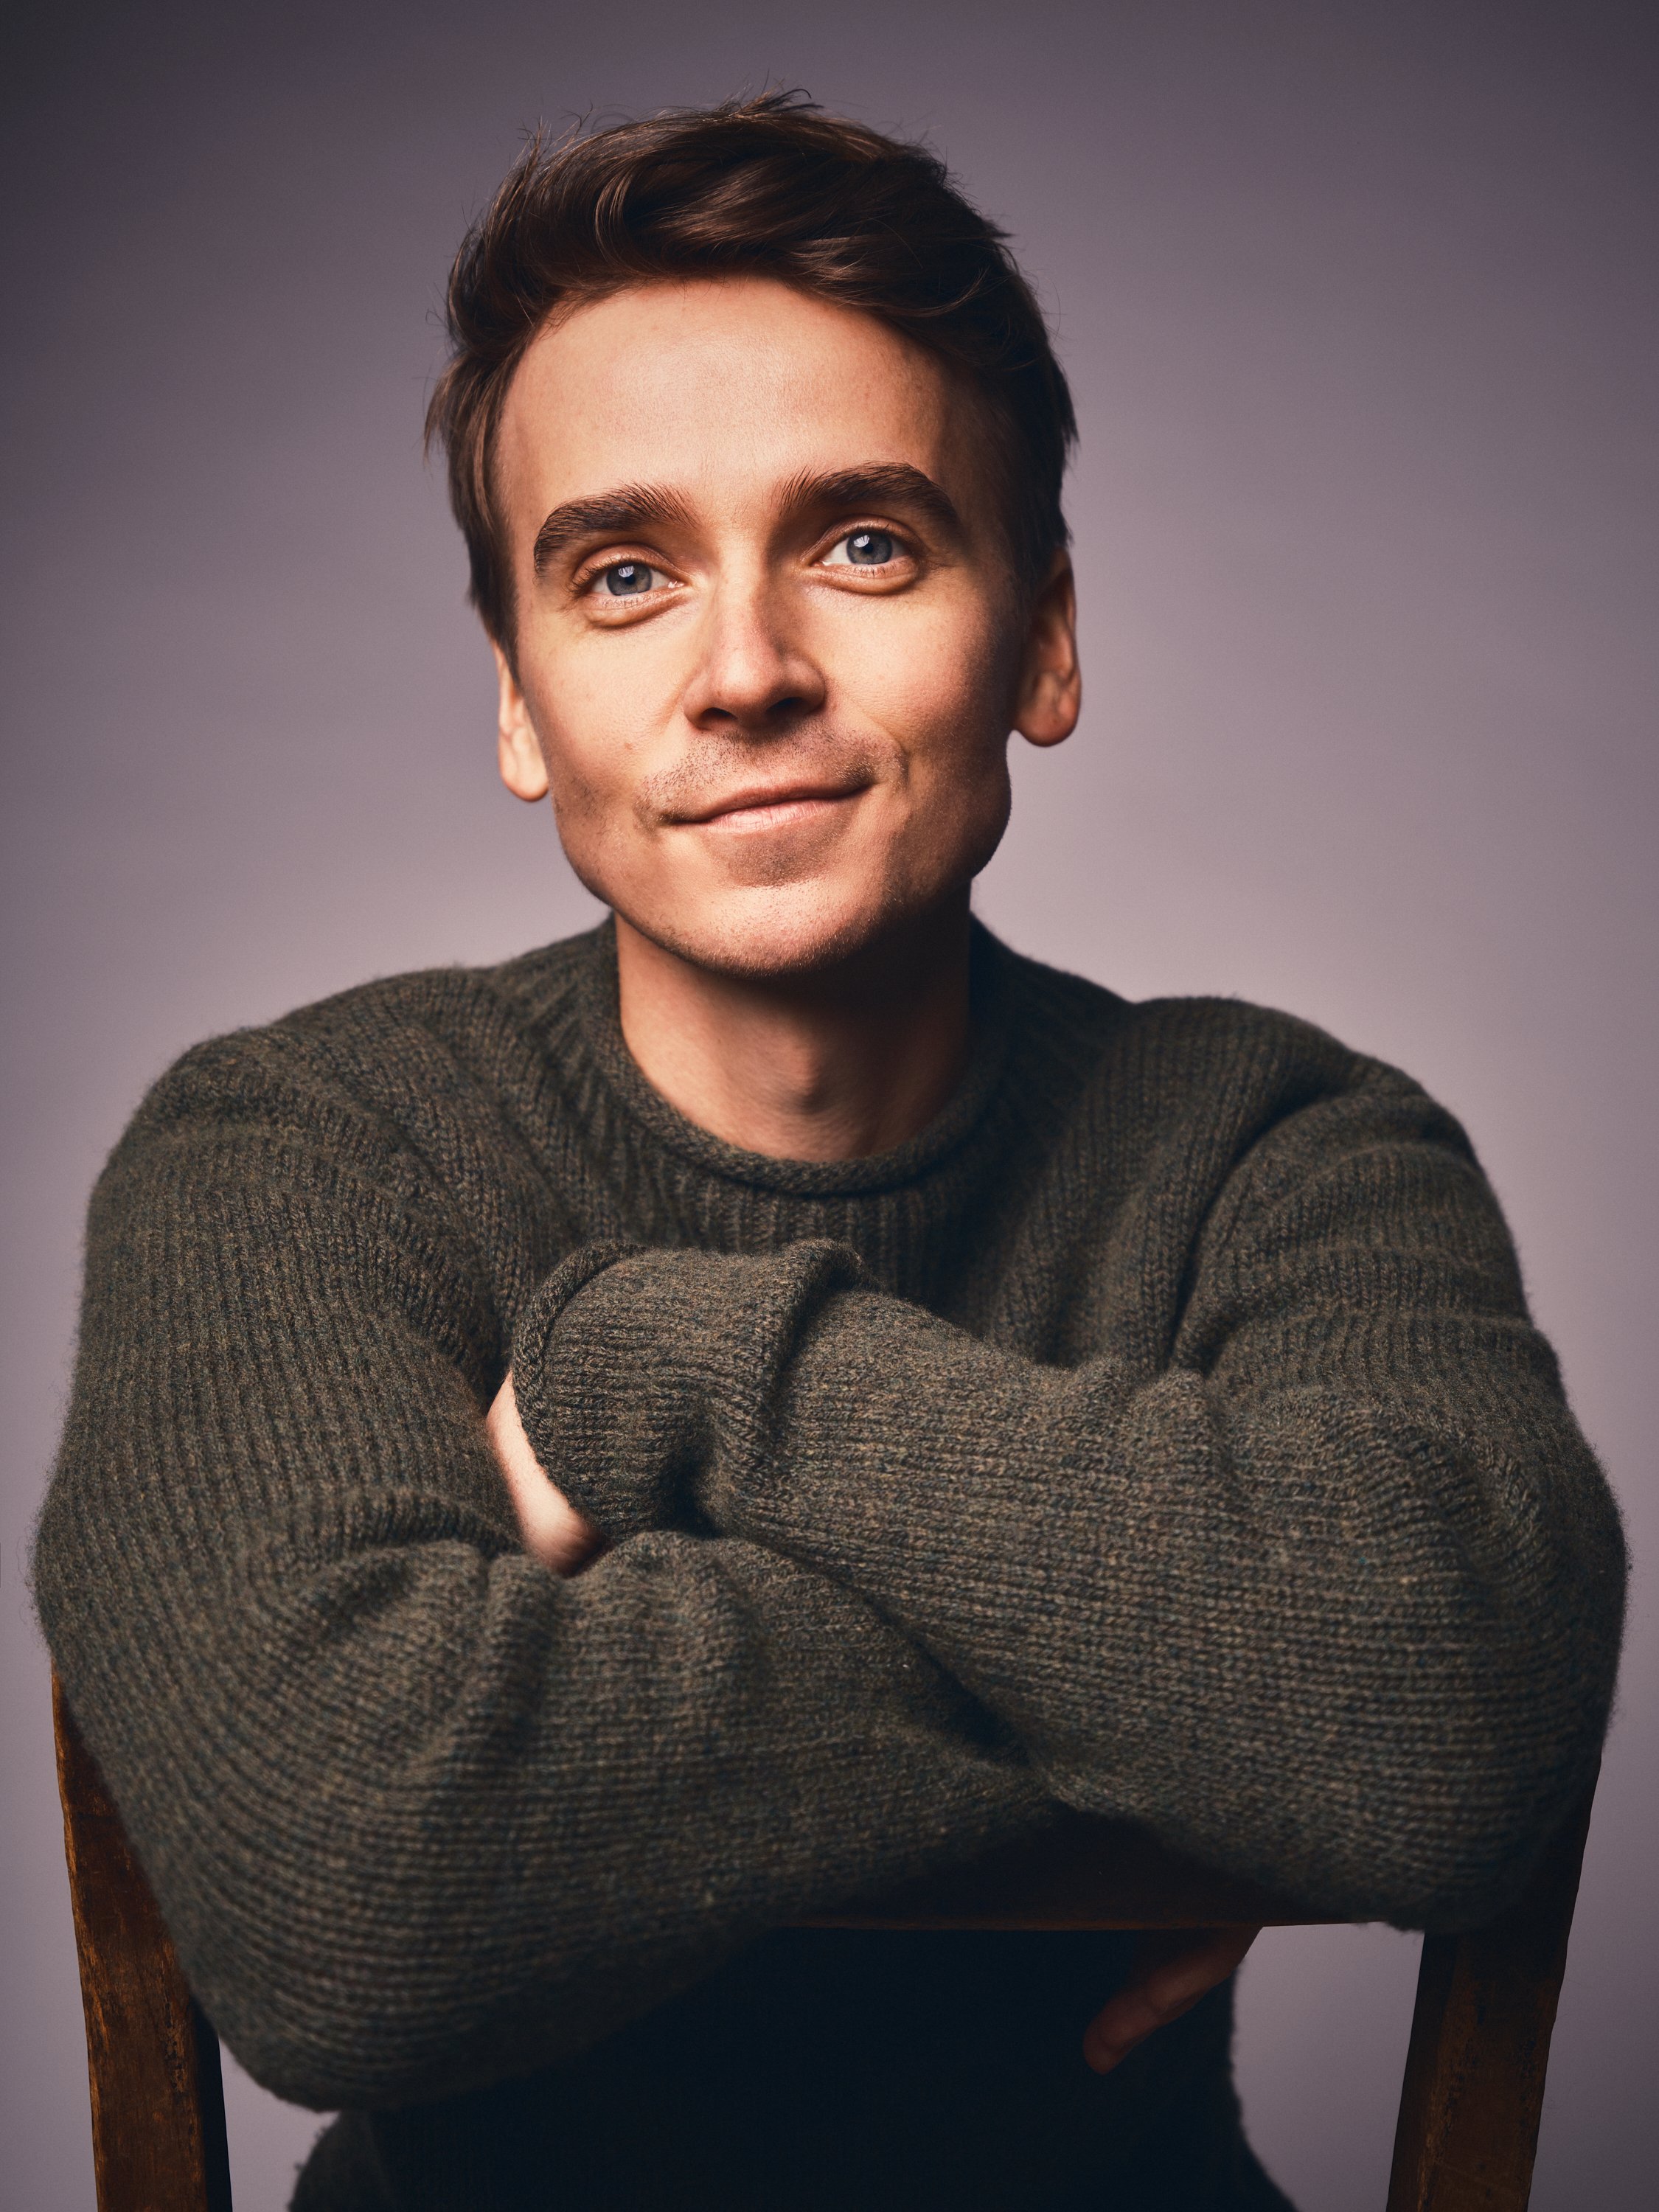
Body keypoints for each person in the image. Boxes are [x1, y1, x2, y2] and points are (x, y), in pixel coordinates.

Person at [35, 92, 1625, 2212]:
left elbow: (1438, 1705)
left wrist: (662, 1377)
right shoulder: (301, 1155)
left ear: (1039, 635)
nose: (749, 673)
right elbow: (348, 1893)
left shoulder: (1277, 1143)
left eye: (863, 542)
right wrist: (1177, 1708)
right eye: (621, 575)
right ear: (517, 701)